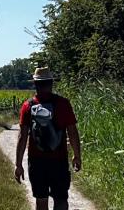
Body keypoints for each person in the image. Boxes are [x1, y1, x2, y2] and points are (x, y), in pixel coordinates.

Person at [14, 66, 81, 210]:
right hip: (59, 161)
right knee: (61, 199)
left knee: (41, 199)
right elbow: (72, 132)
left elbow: (22, 137)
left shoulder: (27, 106)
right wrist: (77, 155)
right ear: (51, 83)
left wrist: (18, 164)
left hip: (37, 162)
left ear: (35, 84)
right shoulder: (63, 104)